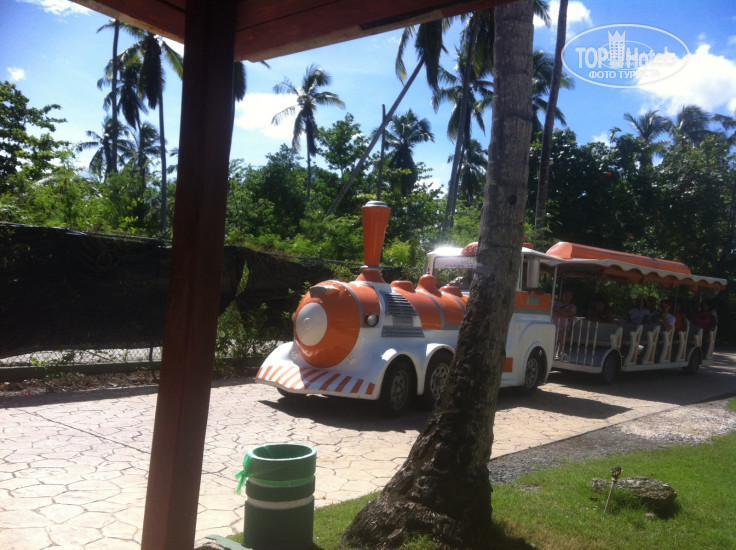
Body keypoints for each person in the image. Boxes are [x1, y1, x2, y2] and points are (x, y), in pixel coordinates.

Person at [553, 290, 577, 359]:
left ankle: (558, 353)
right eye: (566, 295)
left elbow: (570, 314)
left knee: (564, 333)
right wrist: (565, 314)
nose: (567, 297)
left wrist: (558, 310)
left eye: (569, 296)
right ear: (562, 295)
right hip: (552, 326)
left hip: (565, 328)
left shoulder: (573, 306)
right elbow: (553, 313)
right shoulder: (555, 303)